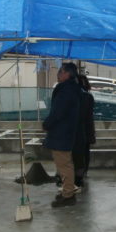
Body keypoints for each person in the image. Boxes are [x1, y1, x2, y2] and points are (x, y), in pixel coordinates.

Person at [43, 62, 83, 208]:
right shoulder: (71, 89)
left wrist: (47, 124)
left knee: (64, 164)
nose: (58, 74)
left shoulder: (67, 91)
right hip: (64, 133)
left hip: (62, 133)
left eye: (60, 71)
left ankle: (68, 194)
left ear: (67, 74)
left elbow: (57, 112)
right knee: (64, 164)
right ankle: (67, 191)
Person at [73, 74, 96, 189]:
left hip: (80, 130)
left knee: (80, 153)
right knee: (84, 153)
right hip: (86, 130)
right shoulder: (88, 96)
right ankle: (82, 173)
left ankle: (78, 176)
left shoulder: (81, 96)